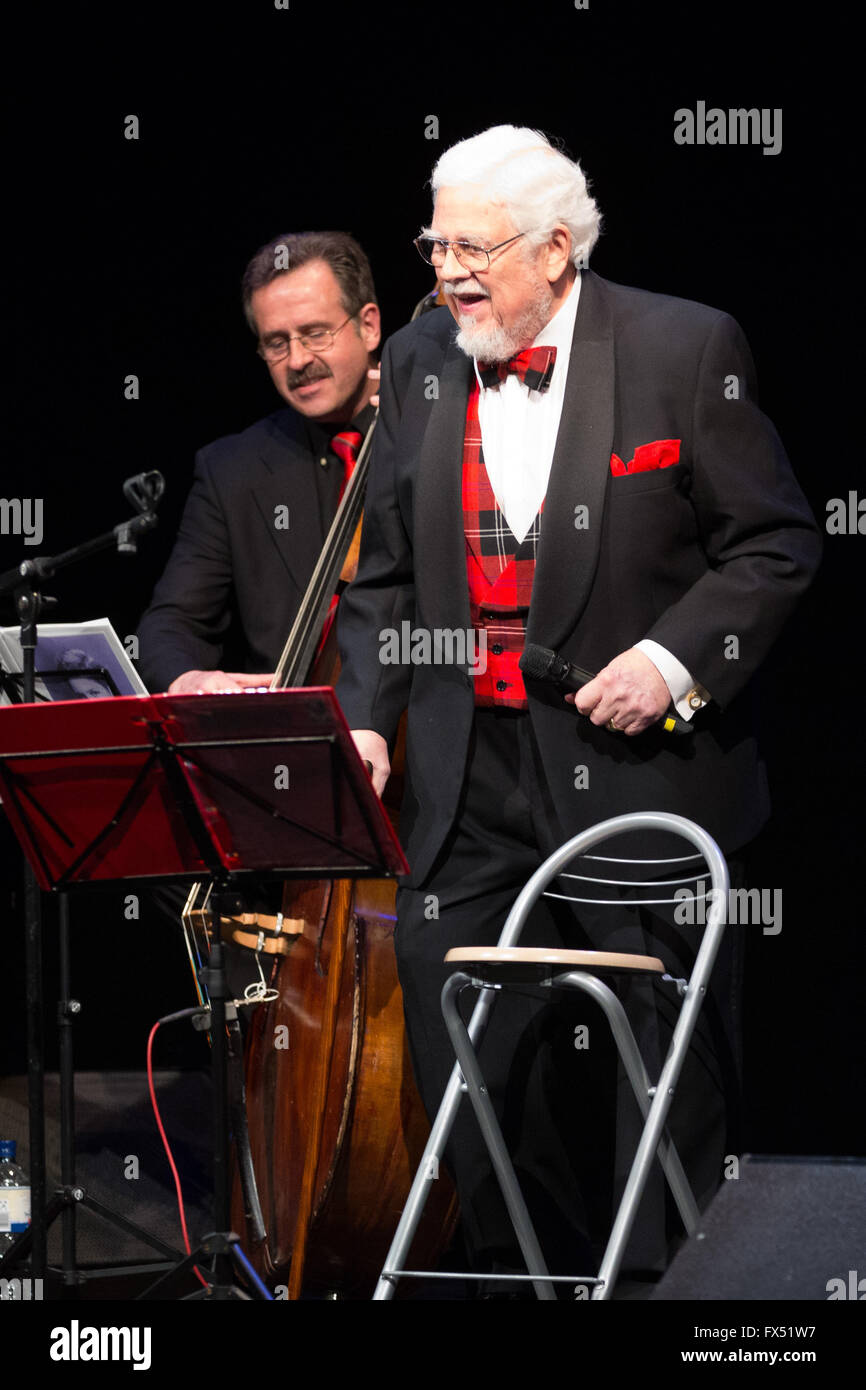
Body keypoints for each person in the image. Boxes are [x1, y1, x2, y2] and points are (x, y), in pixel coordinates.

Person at [335, 125, 821, 1286]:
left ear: (556, 249)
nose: (446, 270)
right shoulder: (417, 362)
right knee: (467, 1071)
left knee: (664, 1080)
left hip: (640, 774)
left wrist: (669, 657)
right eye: (434, 241)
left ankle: (678, 1299)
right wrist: (361, 713)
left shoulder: (682, 345)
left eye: (472, 247)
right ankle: (532, 1281)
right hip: (467, 779)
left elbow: (773, 542)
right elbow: (387, 574)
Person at [137, 230, 380, 693]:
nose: (297, 360)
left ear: (368, 325)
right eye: (276, 342)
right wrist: (190, 679)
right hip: (289, 744)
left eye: (315, 333)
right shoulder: (233, 468)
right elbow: (172, 623)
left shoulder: (431, 430)